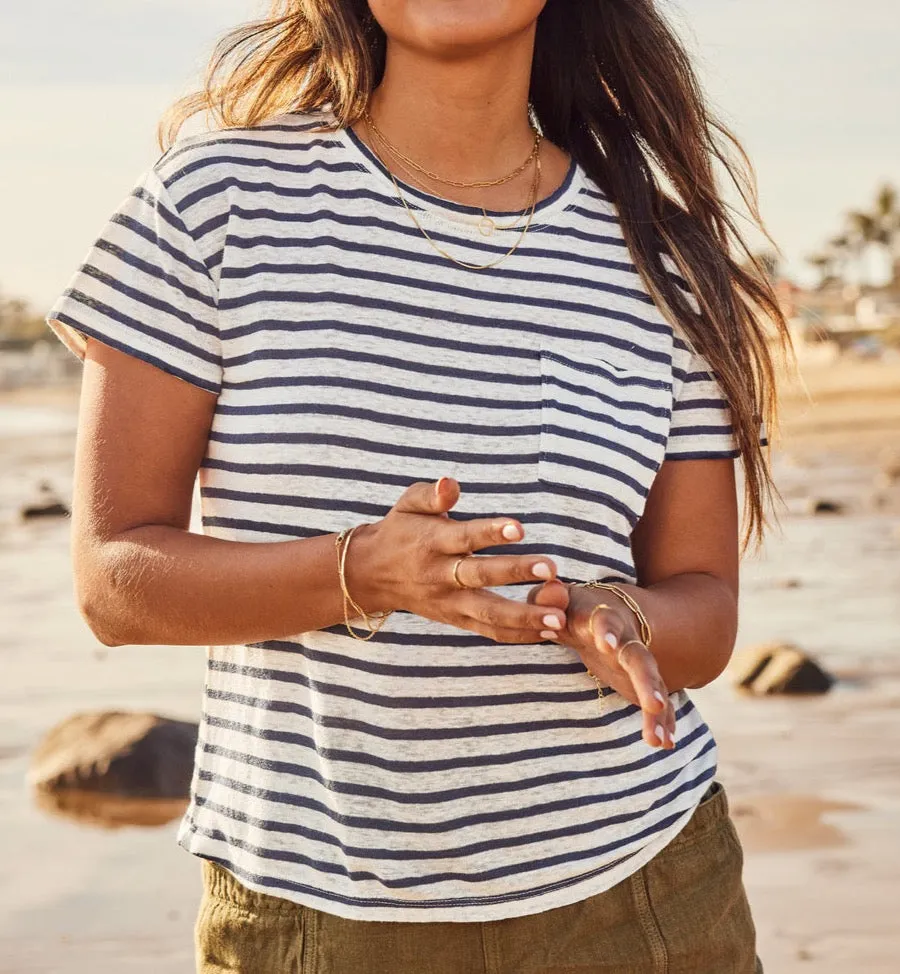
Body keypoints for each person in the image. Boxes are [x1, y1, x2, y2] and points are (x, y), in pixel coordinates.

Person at [45, 1, 788, 971]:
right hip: (313, 919)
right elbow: (112, 583)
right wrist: (361, 571)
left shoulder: (659, 258)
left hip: (643, 899)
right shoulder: (212, 202)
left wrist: (621, 616)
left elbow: (705, 605)